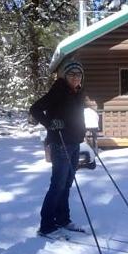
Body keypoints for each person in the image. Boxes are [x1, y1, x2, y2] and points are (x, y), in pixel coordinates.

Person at [29, 57, 86, 238]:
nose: (76, 77)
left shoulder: (77, 92)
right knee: (57, 185)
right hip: (60, 143)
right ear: (64, 76)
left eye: (79, 74)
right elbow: (35, 108)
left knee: (67, 184)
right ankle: (46, 225)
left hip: (75, 143)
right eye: (72, 74)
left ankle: (62, 219)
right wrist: (50, 123)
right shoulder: (58, 91)